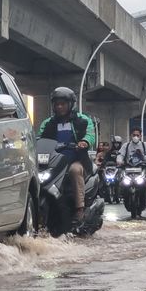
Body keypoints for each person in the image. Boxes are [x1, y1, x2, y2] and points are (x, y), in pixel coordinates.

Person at [37, 87, 96, 222]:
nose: (60, 107)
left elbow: (90, 135)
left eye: (63, 104)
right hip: (53, 161)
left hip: (76, 160)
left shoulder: (83, 120)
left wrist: (84, 142)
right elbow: (39, 138)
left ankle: (79, 208)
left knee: (74, 171)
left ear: (70, 104)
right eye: (57, 104)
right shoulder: (47, 123)